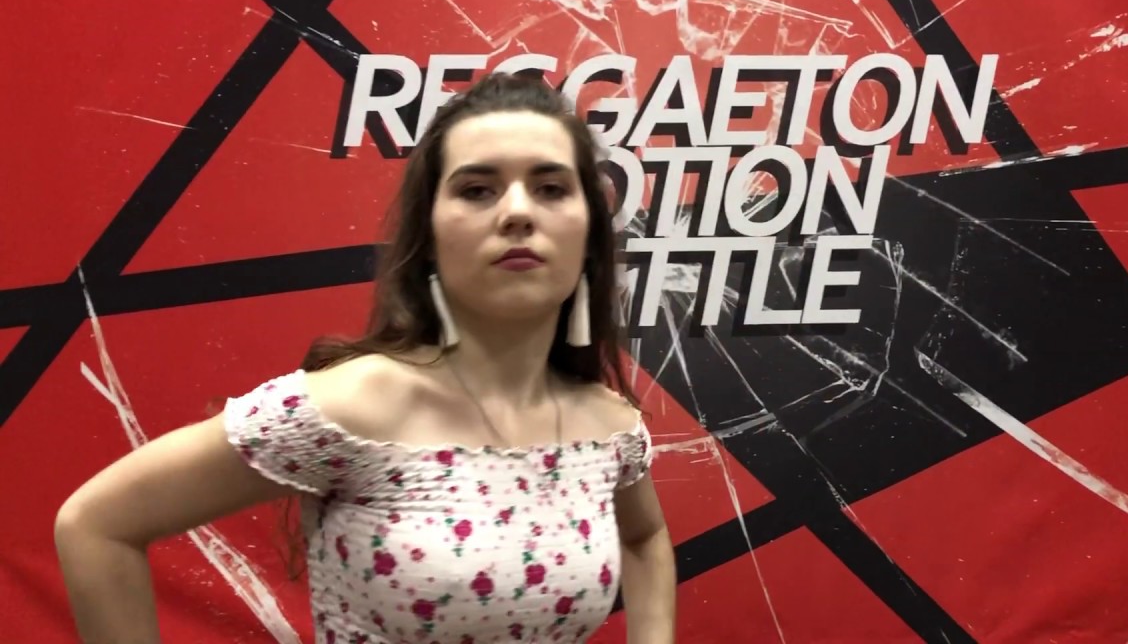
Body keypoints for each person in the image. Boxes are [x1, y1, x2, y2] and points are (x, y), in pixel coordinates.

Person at [53, 73, 677, 643]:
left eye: (550, 188)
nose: (517, 211)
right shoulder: (350, 409)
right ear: (429, 236)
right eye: (477, 189)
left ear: (588, 232)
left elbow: (646, 537)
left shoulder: (608, 428)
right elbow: (97, 526)